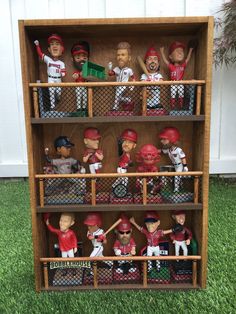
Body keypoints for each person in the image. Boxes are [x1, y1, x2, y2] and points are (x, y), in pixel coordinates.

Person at [34, 34, 66, 109]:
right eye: (52, 44)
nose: (54, 46)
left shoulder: (61, 63)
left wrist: (62, 72)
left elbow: (64, 73)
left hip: (58, 79)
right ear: (49, 49)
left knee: (58, 92)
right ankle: (52, 107)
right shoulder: (48, 59)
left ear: (62, 49)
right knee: (51, 91)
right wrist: (37, 45)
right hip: (50, 78)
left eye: (57, 44)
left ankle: (57, 98)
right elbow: (40, 54)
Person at [160, 41, 194, 109]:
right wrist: (162, 52)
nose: (180, 53)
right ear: (170, 56)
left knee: (181, 96)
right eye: (177, 51)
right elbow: (165, 61)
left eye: (181, 51)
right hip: (173, 83)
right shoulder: (171, 66)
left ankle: (181, 108)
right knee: (173, 96)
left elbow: (187, 59)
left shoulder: (182, 66)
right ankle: (172, 108)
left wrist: (190, 50)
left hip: (181, 83)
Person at [158, 127, 188, 192]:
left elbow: (183, 158)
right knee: (165, 171)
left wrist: (185, 166)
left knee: (177, 176)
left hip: (180, 166)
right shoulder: (169, 150)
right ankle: (166, 188)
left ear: (172, 139)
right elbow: (161, 151)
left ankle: (176, 190)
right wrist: (153, 151)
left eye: (164, 139)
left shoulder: (178, 150)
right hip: (174, 165)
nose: (162, 141)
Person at [108, 42, 135, 110]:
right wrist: (110, 68)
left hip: (124, 86)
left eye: (123, 55)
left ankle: (115, 107)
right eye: (118, 55)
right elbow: (111, 74)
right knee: (118, 96)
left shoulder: (129, 70)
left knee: (117, 95)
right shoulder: (116, 69)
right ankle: (128, 100)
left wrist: (133, 85)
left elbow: (133, 77)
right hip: (118, 86)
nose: (120, 57)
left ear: (129, 58)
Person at [71, 41, 89, 112]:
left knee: (84, 97)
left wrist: (86, 77)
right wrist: (76, 75)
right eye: (78, 58)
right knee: (78, 97)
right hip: (78, 86)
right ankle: (78, 108)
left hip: (84, 86)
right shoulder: (77, 72)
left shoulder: (86, 72)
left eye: (84, 58)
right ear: (73, 59)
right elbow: (74, 76)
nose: (82, 59)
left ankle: (84, 108)